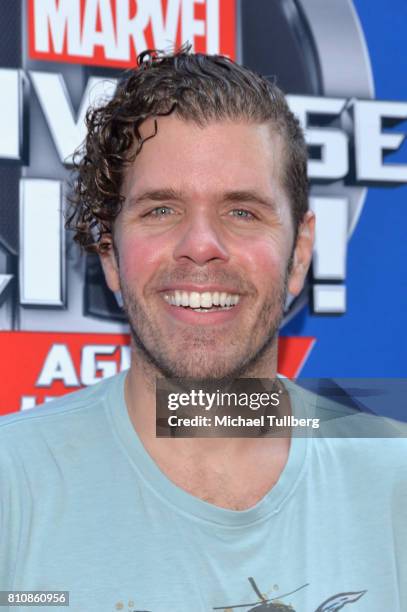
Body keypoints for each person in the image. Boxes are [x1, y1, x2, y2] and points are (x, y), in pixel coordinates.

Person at [0, 49, 405, 612]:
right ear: (112, 255)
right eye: (160, 210)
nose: (201, 246)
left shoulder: (396, 481)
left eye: (242, 211)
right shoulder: (12, 483)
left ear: (300, 252)